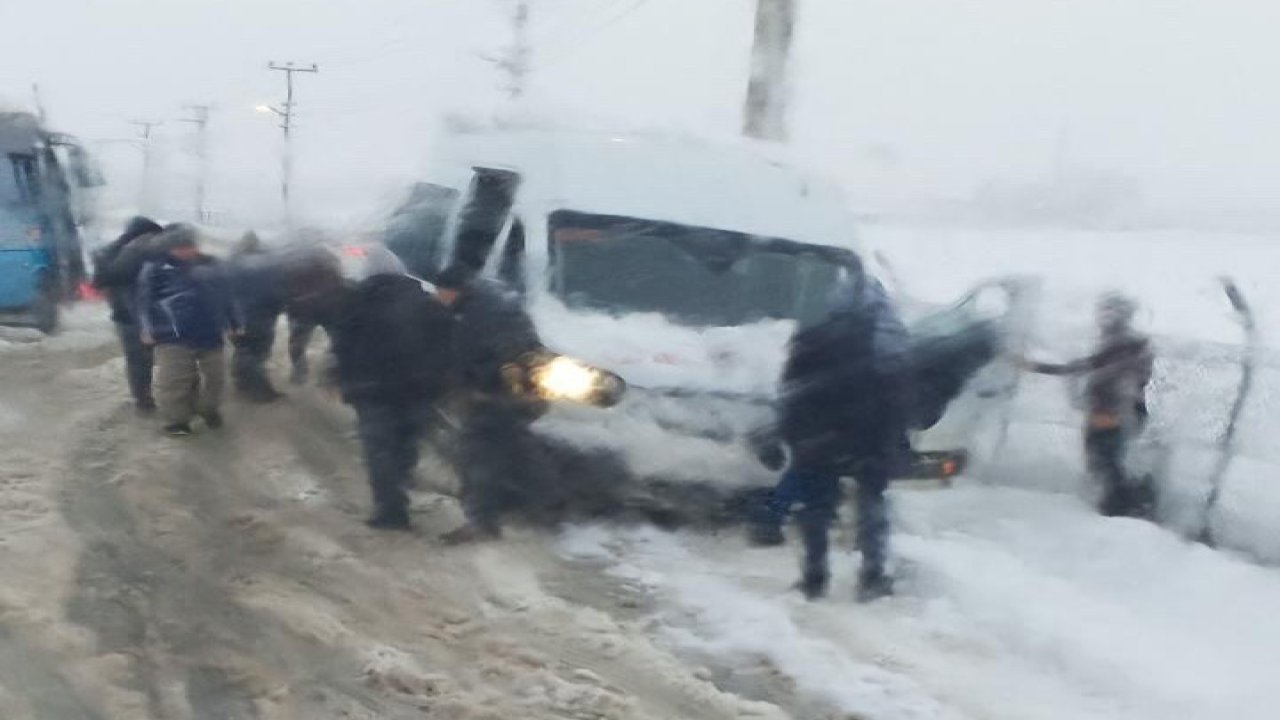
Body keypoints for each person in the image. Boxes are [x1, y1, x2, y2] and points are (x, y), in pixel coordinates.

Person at [752, 275, 912, 602]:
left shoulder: (814, 336)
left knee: (816, 510)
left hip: (820, 437)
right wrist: (898, 438)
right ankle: (872, 577)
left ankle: (814, 579)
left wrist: (783, 432)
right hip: (872, 437)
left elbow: (793, 392)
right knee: (872, 506)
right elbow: (902, 396)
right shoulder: (892, 343)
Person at [330, 247, 454, 530]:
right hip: (417, 389)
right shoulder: (424, 301)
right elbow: (446, 342)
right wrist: (439, 380)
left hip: (372, 390)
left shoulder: (355, 302)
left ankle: (391, 509)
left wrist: (345, 380)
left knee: (379, 450)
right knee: (406, 440)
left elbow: (341, 346)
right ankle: (402, 477)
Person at [433, 264, 551, 544]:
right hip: (521, 396)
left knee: (478, 457)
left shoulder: (476, 317)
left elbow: (475, 358)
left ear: (454, 290)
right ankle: (533, 512)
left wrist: (472, 390)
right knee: (511, 454)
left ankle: (481, 523)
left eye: (441, 292)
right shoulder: (499, 307)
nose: (438, 298)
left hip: (494, 399)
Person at [1021, 292, 1155, 517]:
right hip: (1109, 412)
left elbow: (1107, 372)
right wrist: (1036, 367)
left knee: (1106, 466)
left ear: (1122, 316)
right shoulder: (1120, 343)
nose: (1102, 317)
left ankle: (1125, 509)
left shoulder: (1128, 344)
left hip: (1116, 413)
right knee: (1102, 465)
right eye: (1103, 311)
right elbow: (1084, 367)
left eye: (1109, 312)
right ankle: (1129, 507)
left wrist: (1038, 367)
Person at [136, 225, 244, 437]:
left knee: (216, 377)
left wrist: (235, 322)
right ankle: (176, 421)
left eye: (190, 245)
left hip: (210, 331)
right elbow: (144, 301)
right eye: (180, 247)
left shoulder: (212, 265)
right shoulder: (156, 269)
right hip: (172, 334)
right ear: (170, 247)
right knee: (174, 380)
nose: (187, 250)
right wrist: (146, 328)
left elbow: (227, 296)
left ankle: (207, 408)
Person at [92, 216, 164, 413]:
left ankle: (143, 402)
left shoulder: (111, 252)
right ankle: (152, 401)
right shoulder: (136, 252)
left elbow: (99, 282)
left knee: (138, 361)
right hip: (140, 315)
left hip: (125, 315)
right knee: (166, 356)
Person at [226, 231, 285, 402]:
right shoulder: (268, 264)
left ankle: (241, 383)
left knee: (242, 349)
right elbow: (277, 290)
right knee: (258, 353)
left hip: (237, 315)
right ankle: (260, 390)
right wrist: (277, 308)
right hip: (261, 316)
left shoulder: (231, 262)